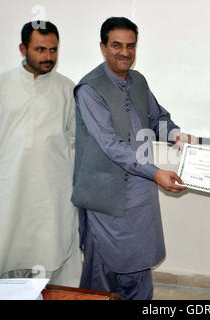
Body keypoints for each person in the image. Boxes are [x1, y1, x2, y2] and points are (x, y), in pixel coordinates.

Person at [72, 17, 193, 300]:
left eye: (130, 46)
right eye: (116, 45)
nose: (125, 52)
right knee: (102, 278)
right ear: (103, 47)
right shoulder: (90, 89)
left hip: (140, 195)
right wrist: (156, 173)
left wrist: (176, 134)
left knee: (138, 270)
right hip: (105, 198)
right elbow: (112, 145)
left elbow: (157, 117)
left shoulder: (138, 80)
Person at [0, 21, 82, 286]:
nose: (49, 57)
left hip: (52, 187)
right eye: (40, 49)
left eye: (54, 50)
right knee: (4, 243)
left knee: (51, 245)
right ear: (23, 48)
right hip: (10, 183)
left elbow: (73, 135)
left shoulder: (67, 89)